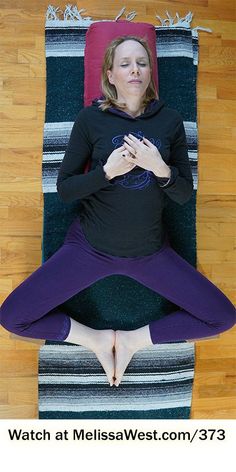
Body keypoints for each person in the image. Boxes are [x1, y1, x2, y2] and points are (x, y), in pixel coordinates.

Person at [0, 36, 235, 388]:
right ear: (110, 74)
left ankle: (130, 340)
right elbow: (65, 189)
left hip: (151, 253)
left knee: (223, 317)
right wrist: (107, 172)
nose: (135, 69)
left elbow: (184, 195)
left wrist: (161, 168)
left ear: (150, 72)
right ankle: (95, 338)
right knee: (12, 317)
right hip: (88, 248)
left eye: (141, 62)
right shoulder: (91, 119)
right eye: (125, 63)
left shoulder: (169, 121)